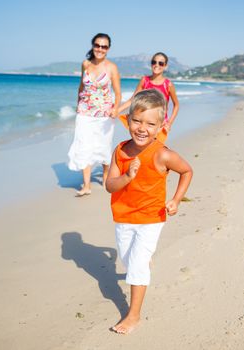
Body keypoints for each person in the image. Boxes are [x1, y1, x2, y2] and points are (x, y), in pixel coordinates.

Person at [106, 89, 192, 334]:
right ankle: (143, 259)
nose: (142, 128)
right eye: (137, 121)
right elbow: (109, 185)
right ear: (128, 119)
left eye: (150, 123)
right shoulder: (121, 151)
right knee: (127, 258)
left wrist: (176, 199)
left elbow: (187, 171)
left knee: (136, 266)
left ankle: (133, 316)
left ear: (160, 126)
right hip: (123, 216)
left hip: (152, 218)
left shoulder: (162, 154)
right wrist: (127, 176)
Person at [68, 33, 121, 196]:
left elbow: (118, 93)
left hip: (104, 115)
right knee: (84, 146)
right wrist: (78, 106)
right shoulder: (85, 64)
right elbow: (81, 88)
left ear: (108, 49)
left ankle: (105, 177)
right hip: (84, 114)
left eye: (104, 46)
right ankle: (86, 186)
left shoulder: (111, 67)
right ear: (93, 46)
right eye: (97, 45)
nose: (100, 49)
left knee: (103, 146)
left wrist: (115, 108)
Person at [118, 52, 179, 143]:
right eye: (154, 62)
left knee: (155, 150)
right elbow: (133, 99)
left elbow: (176, 105)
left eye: (161, 63)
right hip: (143, 122)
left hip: (159, 124)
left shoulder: (168, 85)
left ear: (165, 66)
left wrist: (169, 123)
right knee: (140, 147)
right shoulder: (145, 81)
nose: (156, 65)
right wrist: (117, 110)